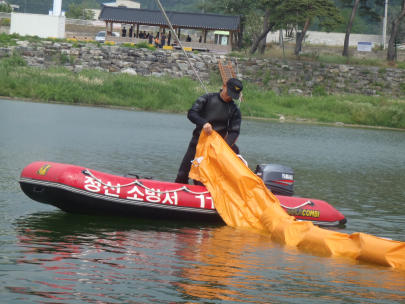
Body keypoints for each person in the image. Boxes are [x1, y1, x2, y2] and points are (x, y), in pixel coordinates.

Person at [175, 78, 244, 184]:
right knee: (182, 175)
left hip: (216, 150)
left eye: (233, 95)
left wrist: (225, 146)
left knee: (201, 181)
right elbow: (192, 113)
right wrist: (204, 123)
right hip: (197, 145)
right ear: (224, 86)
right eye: (228, 93)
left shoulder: (234, 110)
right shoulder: (207, 98)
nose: (229, 97)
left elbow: (234, 131)